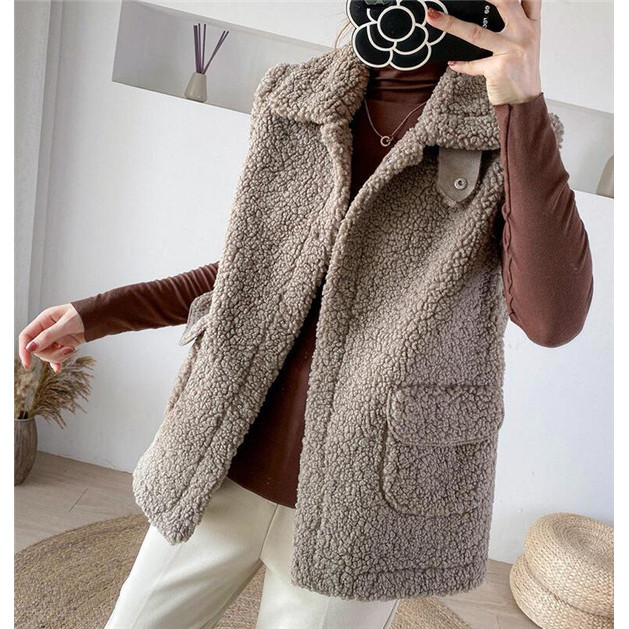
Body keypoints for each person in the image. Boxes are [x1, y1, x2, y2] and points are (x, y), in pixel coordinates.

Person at [18, 4, 593, 628]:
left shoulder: (509, 133)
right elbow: (261, 269)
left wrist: (522, 105)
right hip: (222, 457)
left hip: (367, 497)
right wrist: (98, 314)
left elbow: (552, 319)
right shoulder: (296, 100)